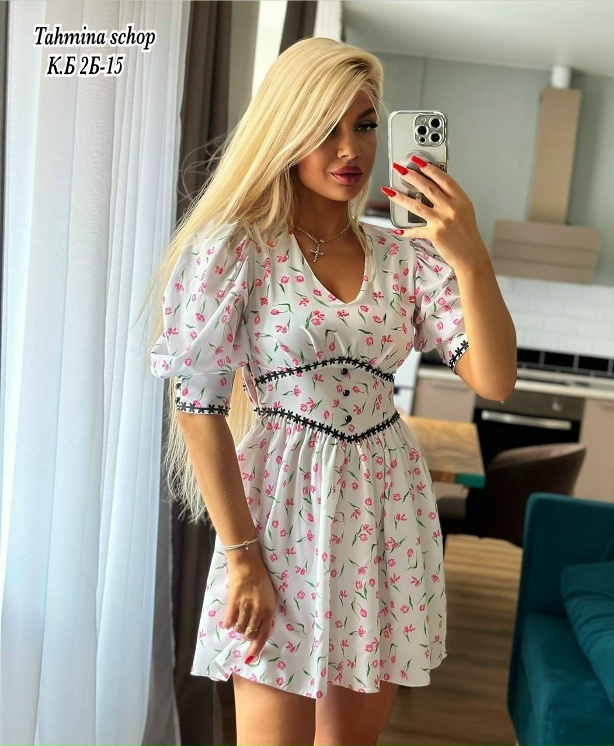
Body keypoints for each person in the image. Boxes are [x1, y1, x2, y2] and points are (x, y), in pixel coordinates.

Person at [146, 37, 516, 746]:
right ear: (285, 131)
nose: (350, 149)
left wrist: (469, 255)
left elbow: (494, 378)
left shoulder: (408, 258)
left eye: (365, 125)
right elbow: (197, 409)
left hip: (387, 509)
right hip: (278, 515)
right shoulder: (235, 250)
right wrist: (243, 555)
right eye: (325, 128)